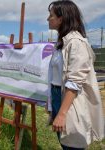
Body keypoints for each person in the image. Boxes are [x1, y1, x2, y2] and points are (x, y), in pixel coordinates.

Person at [47, 0, 104, 149]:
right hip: (57, 95)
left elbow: (74, 81)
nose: (48, 18)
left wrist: (61, 113)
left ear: (61, 18)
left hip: (69, 98)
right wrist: (52, 103)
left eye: (51, 15)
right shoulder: (61, 43)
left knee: (73, 143)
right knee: (64, 141)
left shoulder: (76, 42)